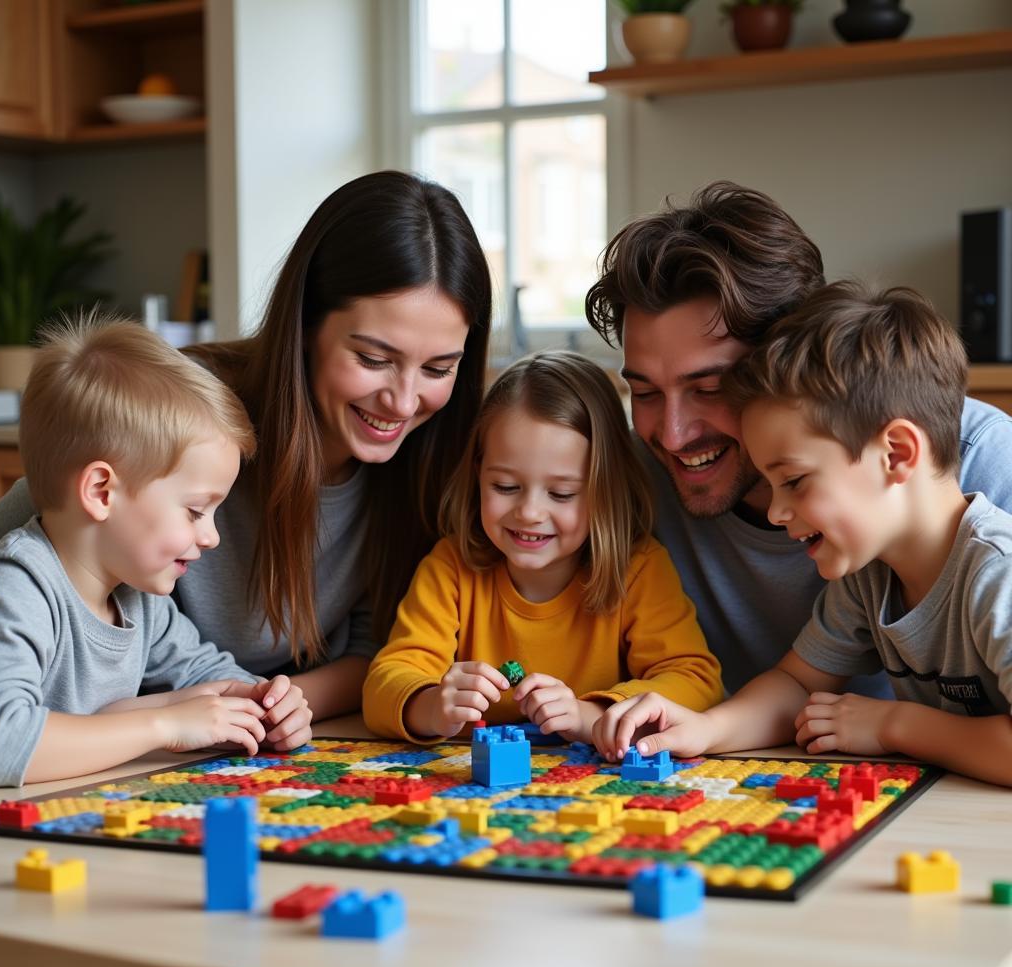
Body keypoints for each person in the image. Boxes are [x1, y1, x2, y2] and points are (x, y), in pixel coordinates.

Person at [0, 171, 493, 722]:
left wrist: (270, 706)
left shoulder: (433, 459)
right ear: (305, 325)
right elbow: (32, 530)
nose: (402, 402)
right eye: (373, 360)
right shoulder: (190, 414)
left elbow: (380, 655)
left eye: (439, 368)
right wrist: (196, 714)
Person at [584, 181, 1012, 700]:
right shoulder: (630, 479)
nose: (673, 435)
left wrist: (900, 727)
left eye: (710, 388)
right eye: (645, 392)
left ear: (786, 365)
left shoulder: (979, 463)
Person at [594, 283, 1012, 787]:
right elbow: (796, 681)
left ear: (896, 454)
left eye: (793, 482)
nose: (775, 511)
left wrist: (894, 725)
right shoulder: (871, 575)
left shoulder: (998, 574)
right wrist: (706, 728)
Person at [0, 316, 312, 787]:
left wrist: (264, 703)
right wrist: (166, 724)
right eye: (196, 510)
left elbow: (207, 672)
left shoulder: (139, 598)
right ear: (102, 491)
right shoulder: (19, 586)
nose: (212, 537)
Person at [363, 350, 722, 744]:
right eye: (505, 487)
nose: (530, 512)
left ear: (606, 492)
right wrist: (430, 705)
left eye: (562, 493)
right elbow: (386, 681)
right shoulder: (451, 567)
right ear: (477, 475)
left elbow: (695, 680)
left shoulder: (637, 570)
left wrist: (589, 714)